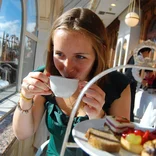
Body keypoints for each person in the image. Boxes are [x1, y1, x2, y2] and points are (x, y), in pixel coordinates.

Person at [13, 8, 131, 156]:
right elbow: (22, 134)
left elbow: (121, 150)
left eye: (80, 56)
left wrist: (99, 118)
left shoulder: (118, 85)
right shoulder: (45, 77)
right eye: (59, 54)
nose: (67, 67)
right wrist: (25, 97)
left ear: (99, 52)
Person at [125, 47, 151, 121]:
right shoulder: (139, 58)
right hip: (131, 82)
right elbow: (134, 72)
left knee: (129, 101)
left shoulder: (135, 56)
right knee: (131, 101)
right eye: (148, 53)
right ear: (145, 51)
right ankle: (130, 119)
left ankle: (128, 117)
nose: (148, 55)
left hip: (128, 81)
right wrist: (142, 80)